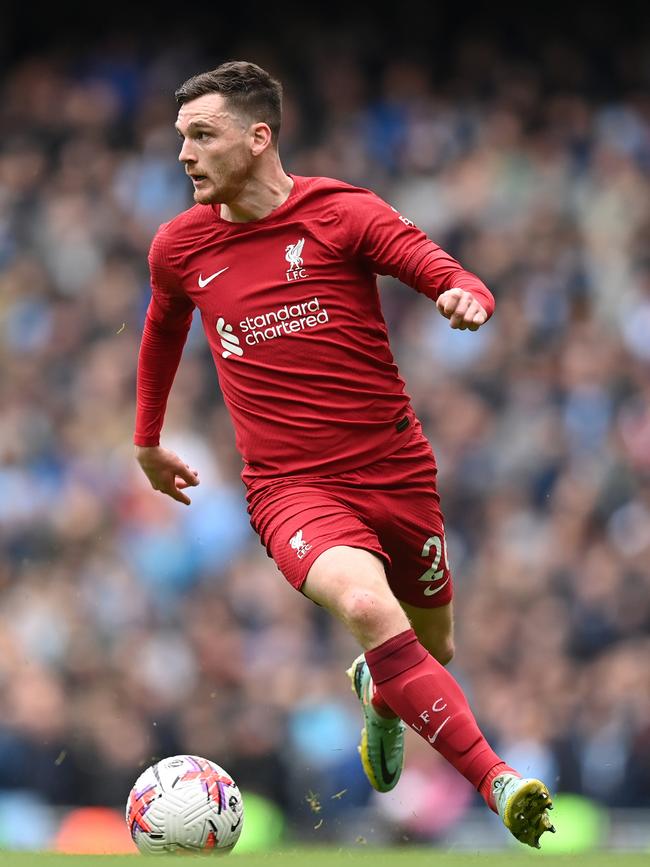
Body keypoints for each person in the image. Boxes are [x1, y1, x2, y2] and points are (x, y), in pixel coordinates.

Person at [134, 60, 555, 848]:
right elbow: (162, 332)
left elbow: (445, 271)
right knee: (368, 607)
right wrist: (148, 438)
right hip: (290, 489)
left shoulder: (341, 213)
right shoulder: (179, 247)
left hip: (396, 472)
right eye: (180, 139)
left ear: (258, 139)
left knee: (430, 649)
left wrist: (467, 297)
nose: (184, 155)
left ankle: (381, 692)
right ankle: (498, 782)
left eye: (202, 136)